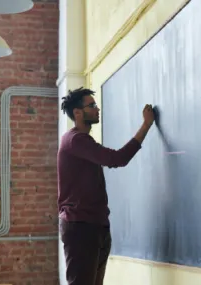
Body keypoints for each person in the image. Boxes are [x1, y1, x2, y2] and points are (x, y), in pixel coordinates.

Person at [57, 87, 155, 285]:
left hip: (95, 225)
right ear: (77, 113)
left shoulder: (81, 141)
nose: (97, 109)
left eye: (96, 105)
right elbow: (117, 158)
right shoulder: (75, 140)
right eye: (91, 106)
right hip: (81, 226)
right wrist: (146, 125)